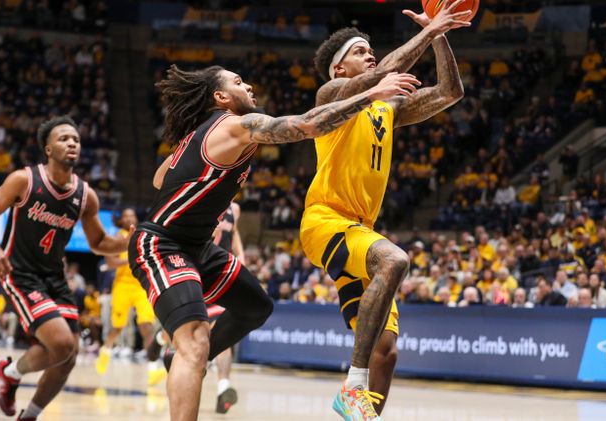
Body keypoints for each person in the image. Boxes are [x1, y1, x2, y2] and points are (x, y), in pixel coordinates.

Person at [131, 64, 418, 421]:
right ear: (221, 98)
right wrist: (369, 96)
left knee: (255, 307)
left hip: (199, 248)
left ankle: (185, 360)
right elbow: (308, 125)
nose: (248, 85)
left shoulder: (204, 135)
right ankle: (190, 357)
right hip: (163, 245)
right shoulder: (235, 125)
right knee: (195, 340)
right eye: (237, 82)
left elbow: (161, 179)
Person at [300, 0, 470, 419]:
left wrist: (440, 36)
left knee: (387, 351)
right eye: (361, 52)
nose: (370, 56)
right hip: (325, 219)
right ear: (340, 67)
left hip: (359, 228)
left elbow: (451, 91)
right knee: (394, 260)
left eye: (371, 50)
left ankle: (365, 413)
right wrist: (429, 28)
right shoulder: (331, 93)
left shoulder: (386, 103)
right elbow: (382, 75)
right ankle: (352, 385)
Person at [0, 116, 131, 421]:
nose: (72, 142)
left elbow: (99, 242)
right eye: (63, 138)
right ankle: (8, 372)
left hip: (54, 278)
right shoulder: (24, 180)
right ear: (48, 149)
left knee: (69, 356)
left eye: (75, 138)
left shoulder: (85, 195)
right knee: (62, 344)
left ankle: (30, 415)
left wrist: (132, 241)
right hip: (19, 273)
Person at [96, 208, 162, 385]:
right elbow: (110, 263)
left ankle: (153, 368)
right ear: (121, 220)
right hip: (122, 286)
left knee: (146, 325)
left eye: (132, 215)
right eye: (125, 216)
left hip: (141, 286)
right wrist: (132, 258)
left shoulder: (142, 235)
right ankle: (106, 351)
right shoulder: (118, 237)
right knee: (117, 327)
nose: (129, 218)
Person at [209, 201, 244, 414]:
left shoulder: (235, 209)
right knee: (188, 332)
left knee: (222, 332)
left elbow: (235, 232)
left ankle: (224, 386)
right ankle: (160, 341)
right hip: (198, 269)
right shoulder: (205, 194)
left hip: (222, 274)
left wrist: (240, 254)